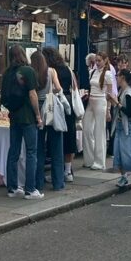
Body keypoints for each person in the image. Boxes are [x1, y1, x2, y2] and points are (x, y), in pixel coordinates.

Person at [0, 45, 43, 199]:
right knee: (31, 152)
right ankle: (30, 189)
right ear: (23, 55)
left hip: (14, 116)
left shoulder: (7, 73)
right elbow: (32, 94)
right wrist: (38, 115)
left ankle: (12, 188)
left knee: (14, 151)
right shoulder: (28, 71)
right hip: (28, 117)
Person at [31, 49, 64, 193]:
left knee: (38, 148)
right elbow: (58, 88)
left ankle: (38, 183)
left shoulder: (31, 72)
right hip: (50, 108)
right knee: (56, 146)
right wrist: (51, 93)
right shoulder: (51, 71)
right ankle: (58, 182)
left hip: (37, 109)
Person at [43, 46, 76, 185]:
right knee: (69, 137)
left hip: (56, 104)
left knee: (56, 138)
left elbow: (56, 88)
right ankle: (68, 171)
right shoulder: (68, 69)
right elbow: (75, 86)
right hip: (68, 103)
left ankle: (58, 173)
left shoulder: (51, 70)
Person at [82, 53, 112, 170]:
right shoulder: (93, 72)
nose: (97, 63)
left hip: (101, 101)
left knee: (99, 132)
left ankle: (99, 162)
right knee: (86, 129)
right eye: (96, 61)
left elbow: (110, 94)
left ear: (105, 60)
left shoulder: (108, 74)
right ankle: (89, 159)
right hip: (91, 101)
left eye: (99, 60)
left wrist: (108, 110)